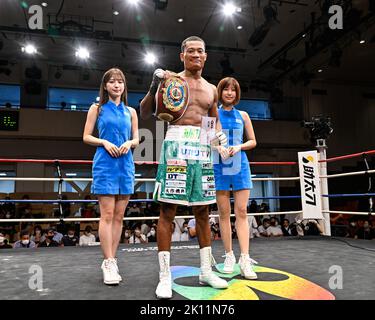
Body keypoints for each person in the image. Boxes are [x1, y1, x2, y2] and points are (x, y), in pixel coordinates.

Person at [140, 36, 229, 299]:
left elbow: (214, 124)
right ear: (182, 56)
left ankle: (205, 270)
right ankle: (164, 276)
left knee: (203, 211)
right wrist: (154, 84)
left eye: (200, 51)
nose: (196, 55)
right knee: (168, 211)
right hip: (176, 145)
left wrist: (220, 142)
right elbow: (145, 112)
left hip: (201, 149)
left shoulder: (212, 89)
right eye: (190, 51)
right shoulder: (171, 80)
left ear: (206, 56)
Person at [83, 67, 139, 285]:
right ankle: (107, 261)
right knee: (106, 214)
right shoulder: (97, 109)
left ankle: (112, 259)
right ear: (105, 86)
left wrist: (129, 143)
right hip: (105, 163)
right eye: (112, 82)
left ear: (124, 86)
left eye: (120, 82)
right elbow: (86, 136)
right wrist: (104, 141)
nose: (117, 85)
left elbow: (136, 138)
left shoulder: (131, 112)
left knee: (119, 217)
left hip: (125, 164)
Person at [213, 77, 258, 279]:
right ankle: (229, 255)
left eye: (233, 90)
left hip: (240, 165)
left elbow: (253, 141)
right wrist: (218, 147)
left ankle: (245, 258)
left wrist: (239, 146)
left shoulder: (244, 115)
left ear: (237, 93)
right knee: (223, 213)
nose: (230, 93)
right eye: (226, 89)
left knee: (241, 211)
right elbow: (207, 139)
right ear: (220, 92)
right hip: (219, 165)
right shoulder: (212, 114)